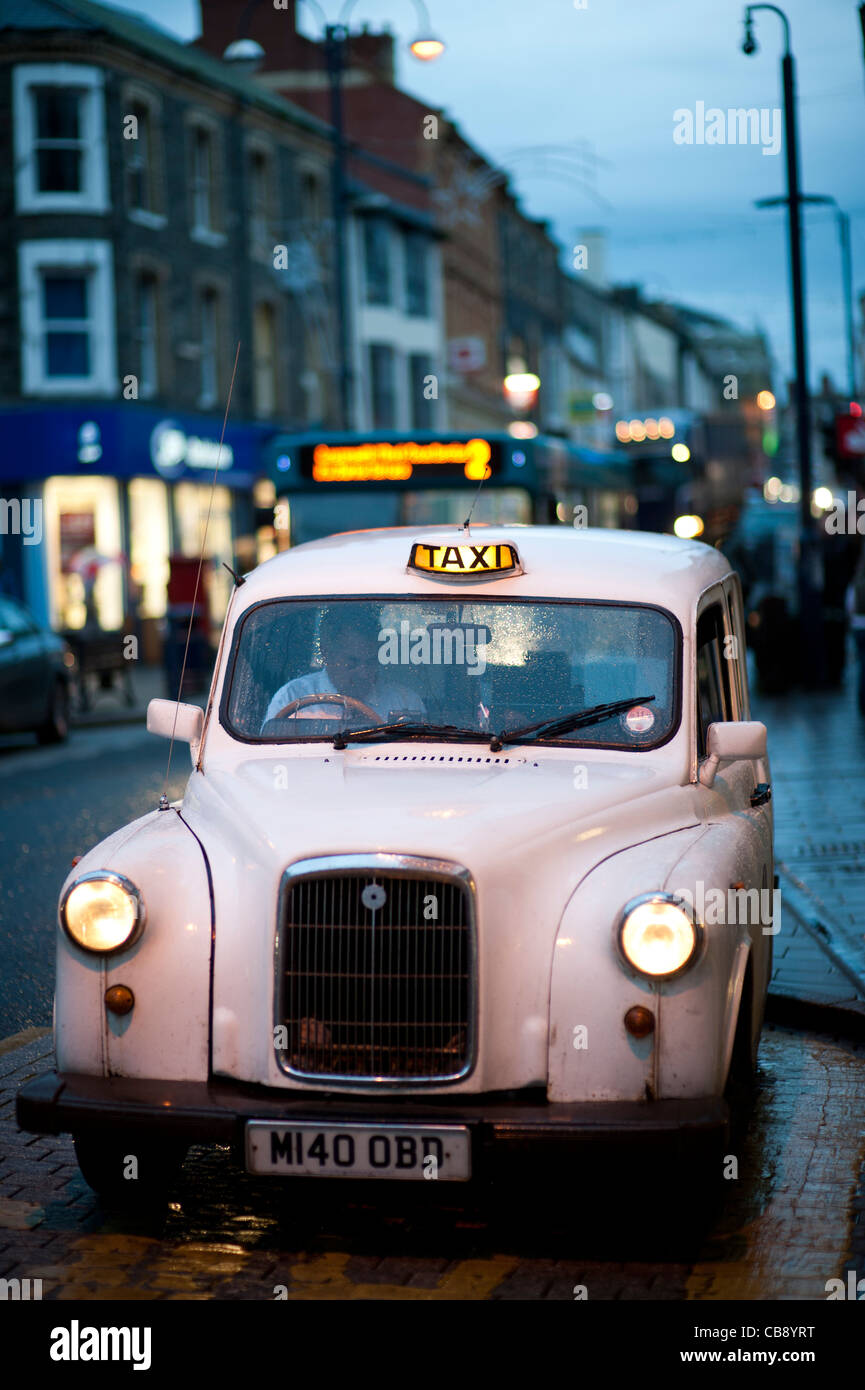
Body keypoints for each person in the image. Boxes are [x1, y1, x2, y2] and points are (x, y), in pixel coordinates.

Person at [261, 605, 425, 730]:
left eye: (370, 662)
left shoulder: (405, 702)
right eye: (352, 663)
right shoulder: (292, 697)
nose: (363, 673)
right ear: (326, 654)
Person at [845, 545, 865, 714]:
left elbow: (849, 605)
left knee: (861, 665)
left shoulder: (857, 581)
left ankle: (862, 700)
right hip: (861, 625)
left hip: (858, 625)